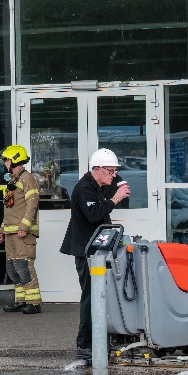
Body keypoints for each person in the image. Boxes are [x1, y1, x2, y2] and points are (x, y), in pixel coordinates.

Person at [60, 149, 131, 362]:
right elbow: (93, 215)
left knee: (102, 295)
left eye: (114, 172)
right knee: (91, 296)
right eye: (110, 172)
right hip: (86, 251)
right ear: (97, 169)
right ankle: (85, 344)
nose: (113, 176)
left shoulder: (99, 186)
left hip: (97, 250)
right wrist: (115, 198)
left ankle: (100, 337)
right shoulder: (84, 189)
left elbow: (111, 207)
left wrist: (120, 193)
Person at [0, 145, 42, 314]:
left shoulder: (28, 179)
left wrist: (24, 227)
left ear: (15, 160)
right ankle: (21, 300)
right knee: (13, 267)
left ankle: (34, 302)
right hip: (10, 232)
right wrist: (2, 230)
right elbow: (9, 209)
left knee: (24, 266)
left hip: (22, 233)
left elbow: (32, 205)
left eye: (7, 160)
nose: (5, 163)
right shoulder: (12, 180)